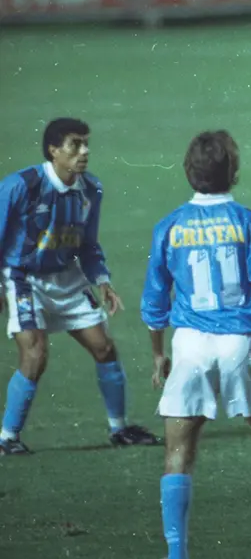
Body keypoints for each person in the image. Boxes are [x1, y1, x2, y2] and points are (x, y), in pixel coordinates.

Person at [141, 130, 251, 558]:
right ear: (232, 173)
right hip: (241, 343)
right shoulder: (250, 223)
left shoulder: (169, 226)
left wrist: (158, 353)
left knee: (178, 452)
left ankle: (177, 553)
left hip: (190, 345)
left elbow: (154, 299)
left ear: (189, 173)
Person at [0, 117, 160, 455]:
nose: (84, 151)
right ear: (53, 150)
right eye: (75, 144)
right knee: (35, 354)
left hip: (68, 279)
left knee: (104, 348)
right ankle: (6, 437)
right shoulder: (20, 186)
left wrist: (102, 280)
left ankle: (119, 429)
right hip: (24, 279)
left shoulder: (90, 189)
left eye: (86, 143)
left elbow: (87, 243)